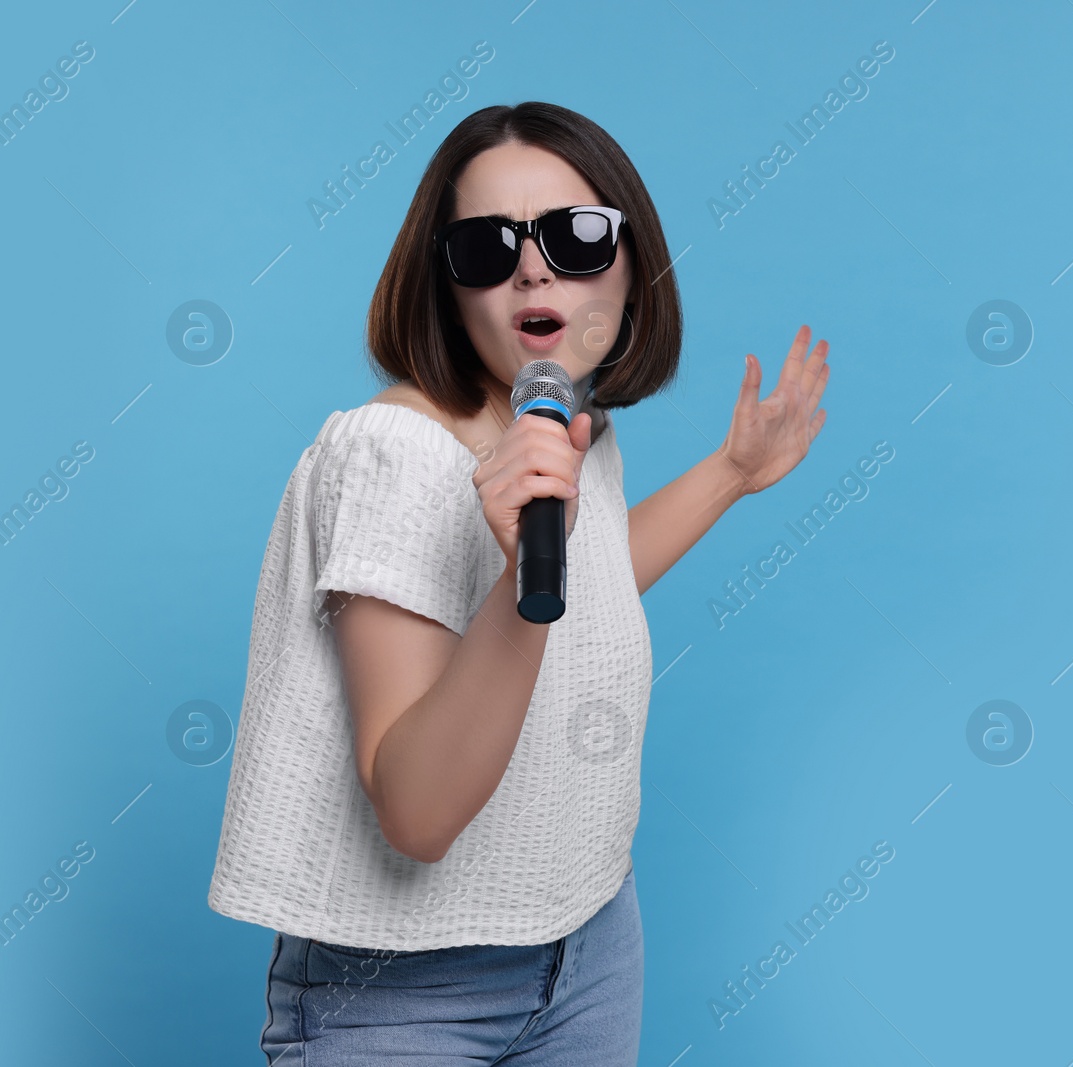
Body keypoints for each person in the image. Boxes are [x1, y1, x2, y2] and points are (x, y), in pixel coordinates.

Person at [206, 100, 831, 1065]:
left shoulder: (562, 426)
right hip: (405, 994)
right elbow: (417, 812)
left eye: (577, 237)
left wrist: (730, 475)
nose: (533, 266)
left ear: (631, 260)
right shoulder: (392, 456)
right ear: (448, 286)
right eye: (487, 247)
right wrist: (514, 580)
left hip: (589, 941)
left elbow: (592, 585)